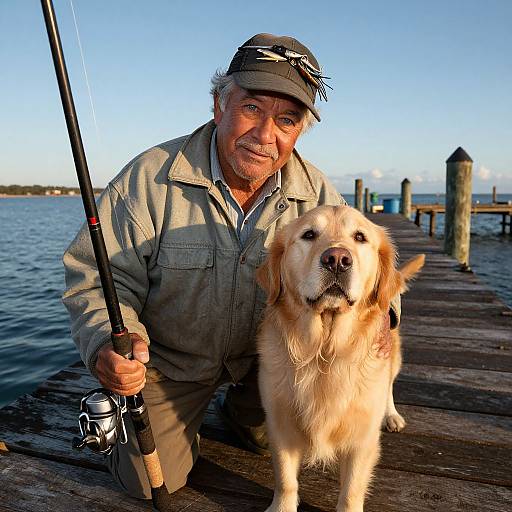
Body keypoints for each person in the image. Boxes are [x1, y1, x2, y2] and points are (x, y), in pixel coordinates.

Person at [63, 33, 400, 499]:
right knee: (145, 481)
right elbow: (98, 278)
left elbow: (370, 268)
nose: (266, 136)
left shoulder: (319, 195)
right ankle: (184, 423)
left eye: (287, 119)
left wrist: (387, 315)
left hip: (269, 361)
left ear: (300, 129)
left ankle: (240, 414)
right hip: (172, 365)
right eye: (251, 109)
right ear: (219, 104)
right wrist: (108, 340)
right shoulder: (147, 178)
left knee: (274, 445)